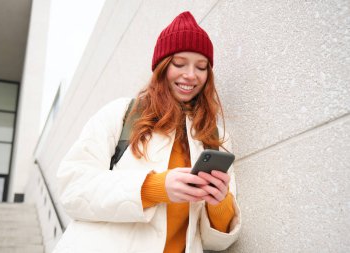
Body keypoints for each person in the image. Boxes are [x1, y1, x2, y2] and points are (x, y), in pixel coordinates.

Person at [53, 11, 241, 253]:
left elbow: (216, 241)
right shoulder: (121, 113)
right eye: (179, 63)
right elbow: (72, 187)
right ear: (161, 66)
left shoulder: (214, 137)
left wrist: (219, 202)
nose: (191, 75)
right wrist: (155, 187)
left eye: (201, 66)